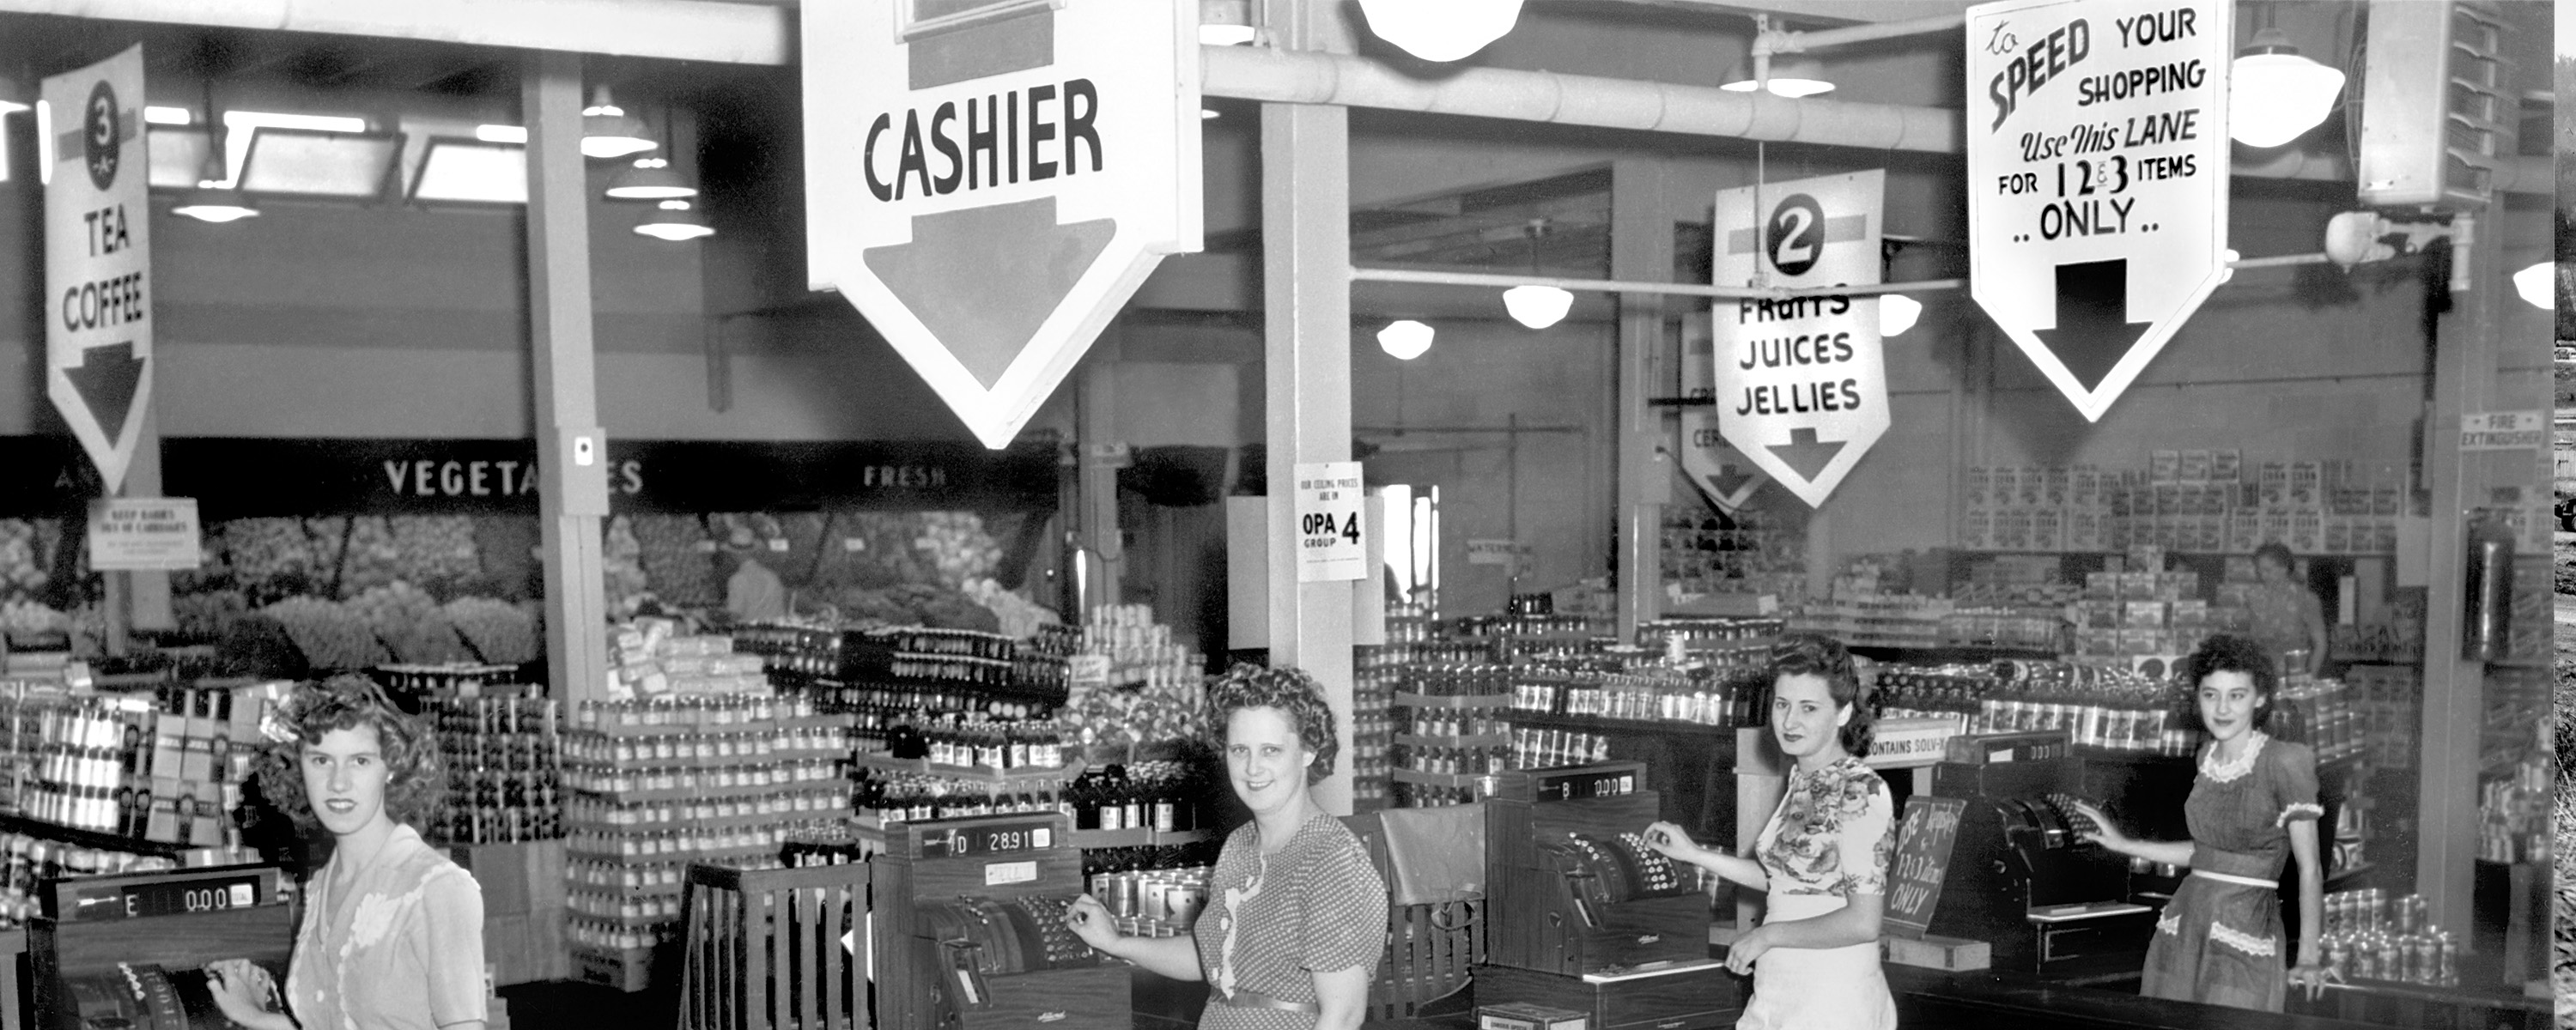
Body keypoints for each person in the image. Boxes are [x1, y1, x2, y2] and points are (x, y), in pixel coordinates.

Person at [1065, 664, 1386, 1030]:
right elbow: (1213, 957)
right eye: (1239, 750)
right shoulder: (1241, 845)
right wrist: (1118, 942)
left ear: (1309, 751)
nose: (1253, 768)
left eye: (1271, 750)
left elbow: (1342, 1017)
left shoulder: (1331, 860)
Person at [1640, 633, 1897, 1030]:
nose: (1790, 721)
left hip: (1834, 1000)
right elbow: (1787, 881)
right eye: (1782, 704)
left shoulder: (1862, 791)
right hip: (1781, 990)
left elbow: (1863, 922)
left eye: (1809, 708)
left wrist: (1768, 935)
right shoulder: (1803, 778)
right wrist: (1694, 853)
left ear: (1843, 713)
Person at [206, 677, 488, 1030]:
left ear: (393, 768)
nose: (338, 783)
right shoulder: (321, 885)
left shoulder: (437, 889)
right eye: (321, 760)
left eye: (360, 761)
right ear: (297, 766)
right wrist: (260, 1018)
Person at [2071, 633, 2331, 1013]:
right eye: (2211, 695)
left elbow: (2310, 868)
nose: (2222, 708)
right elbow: (2204, 853)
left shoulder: (2285, 761)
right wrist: (2124, 844)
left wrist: (2308, 956)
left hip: (2244, 928)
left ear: (2260, 699)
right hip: (2186, 921)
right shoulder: (2206, 756)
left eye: (2236, 695)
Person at [2244, 542, 2328, 676]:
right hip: (2261, 675)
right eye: (2259, 571)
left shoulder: (2306, 599)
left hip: (2296, 674)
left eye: (2268, 570)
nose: (2263, 576)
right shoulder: (2253, 598)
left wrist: (2310, 677)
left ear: (2284, 568)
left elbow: (2320, 644)